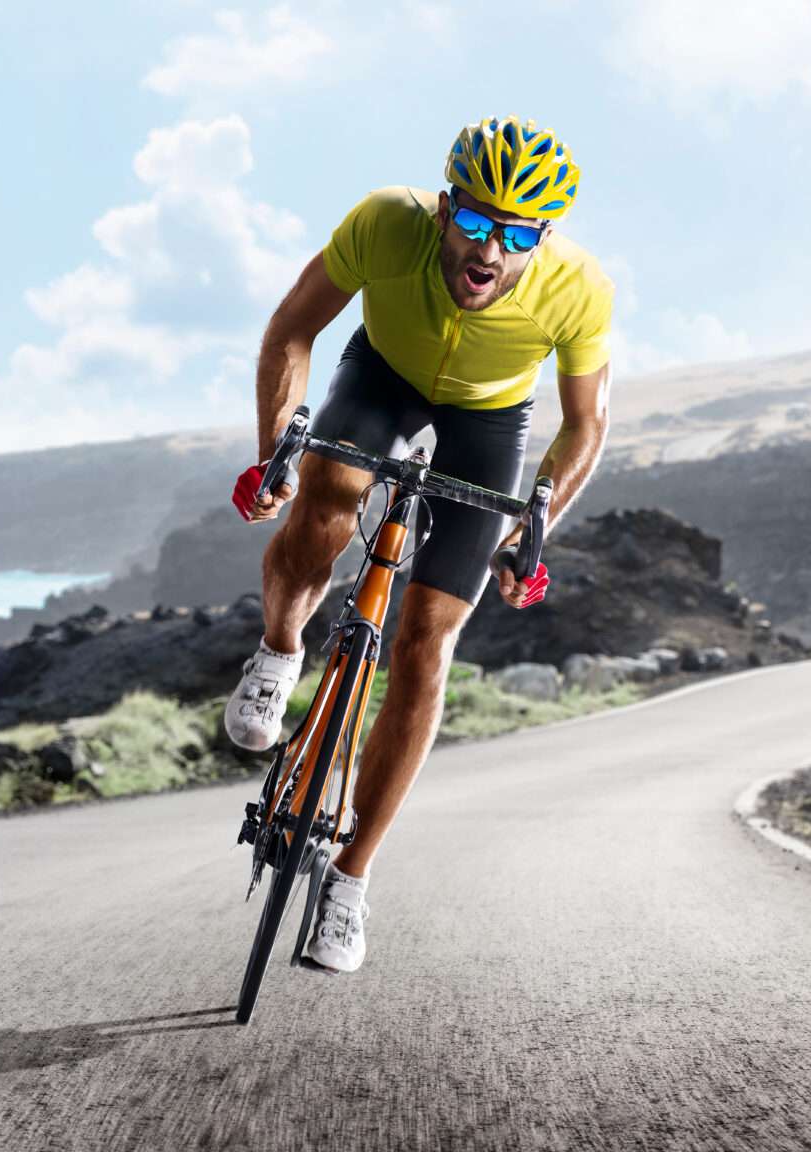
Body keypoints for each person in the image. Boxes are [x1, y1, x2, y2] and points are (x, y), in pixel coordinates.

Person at [225, 117, 615, 973]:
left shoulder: (578, 289)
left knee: (427, 644)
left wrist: (532, 528)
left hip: (490, 419)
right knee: (326, 502)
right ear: (443, 210)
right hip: (382, 376)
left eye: (517, 236)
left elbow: (585, 425)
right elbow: (292, 330)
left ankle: (351, 881)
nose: (491, 252)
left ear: (542, 239)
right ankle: (281, 651)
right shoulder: (384, 223)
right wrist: (274, 454)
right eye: (476, 223)